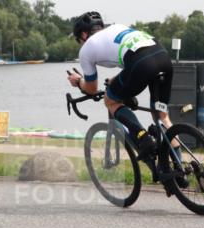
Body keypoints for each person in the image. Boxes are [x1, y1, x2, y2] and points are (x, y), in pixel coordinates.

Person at [65, 11, 174, 160]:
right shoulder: (117, 28)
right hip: (162, 57)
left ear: (84, 35)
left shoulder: (86, 49)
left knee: (110, 100)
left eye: (79, 41)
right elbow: (132, 58)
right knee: (163, 116)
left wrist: (78, 81)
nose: (80, 45)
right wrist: (115, 80)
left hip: (141, 64)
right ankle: (179, 167)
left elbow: (91, 89)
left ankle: (143, 137)